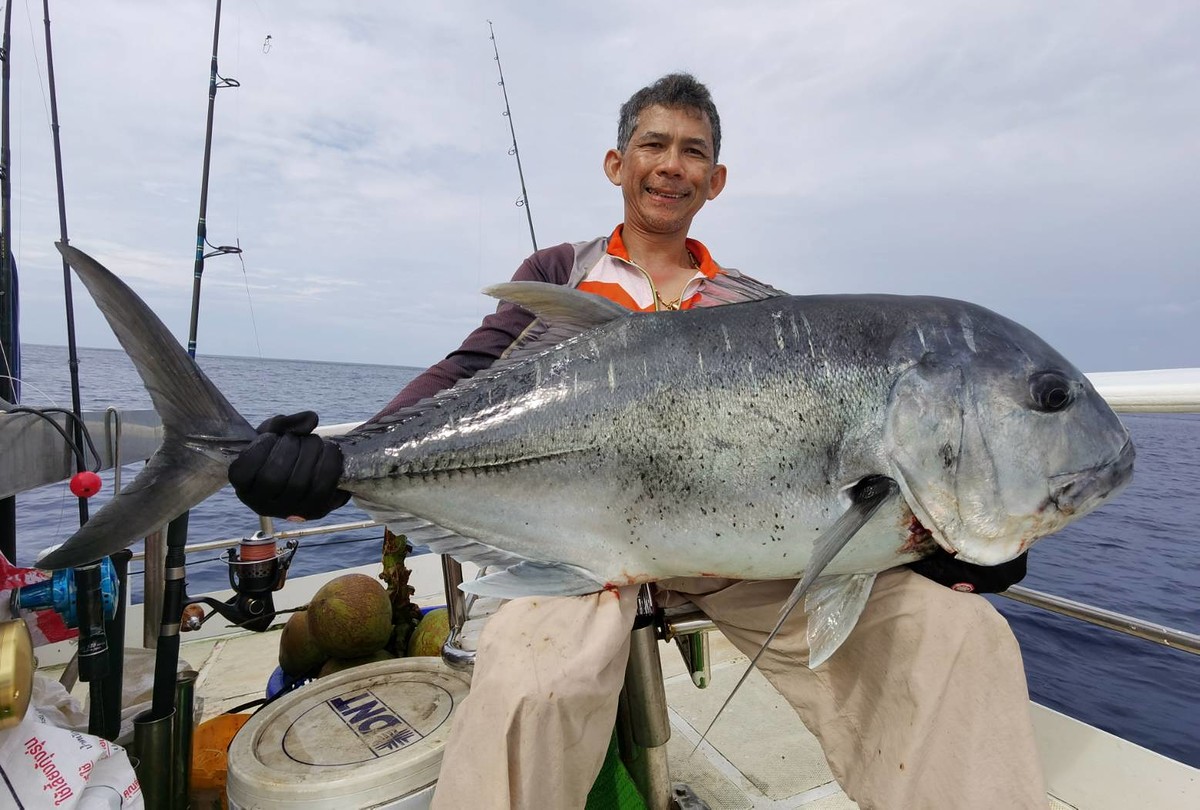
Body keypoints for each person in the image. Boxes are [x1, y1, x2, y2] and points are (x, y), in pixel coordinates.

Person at [230, 74, 1046, 810]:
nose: (671, 164)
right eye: (653, 144)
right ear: (617, 164)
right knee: (528, 686)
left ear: (715, 181)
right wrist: (347, 459)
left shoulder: (757, 309)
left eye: (693, 152)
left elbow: (832, 452)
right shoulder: (562, 270)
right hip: (583, 537)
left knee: (956, 640)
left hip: (748, 558)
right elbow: (469, 370)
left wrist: (946, 531)